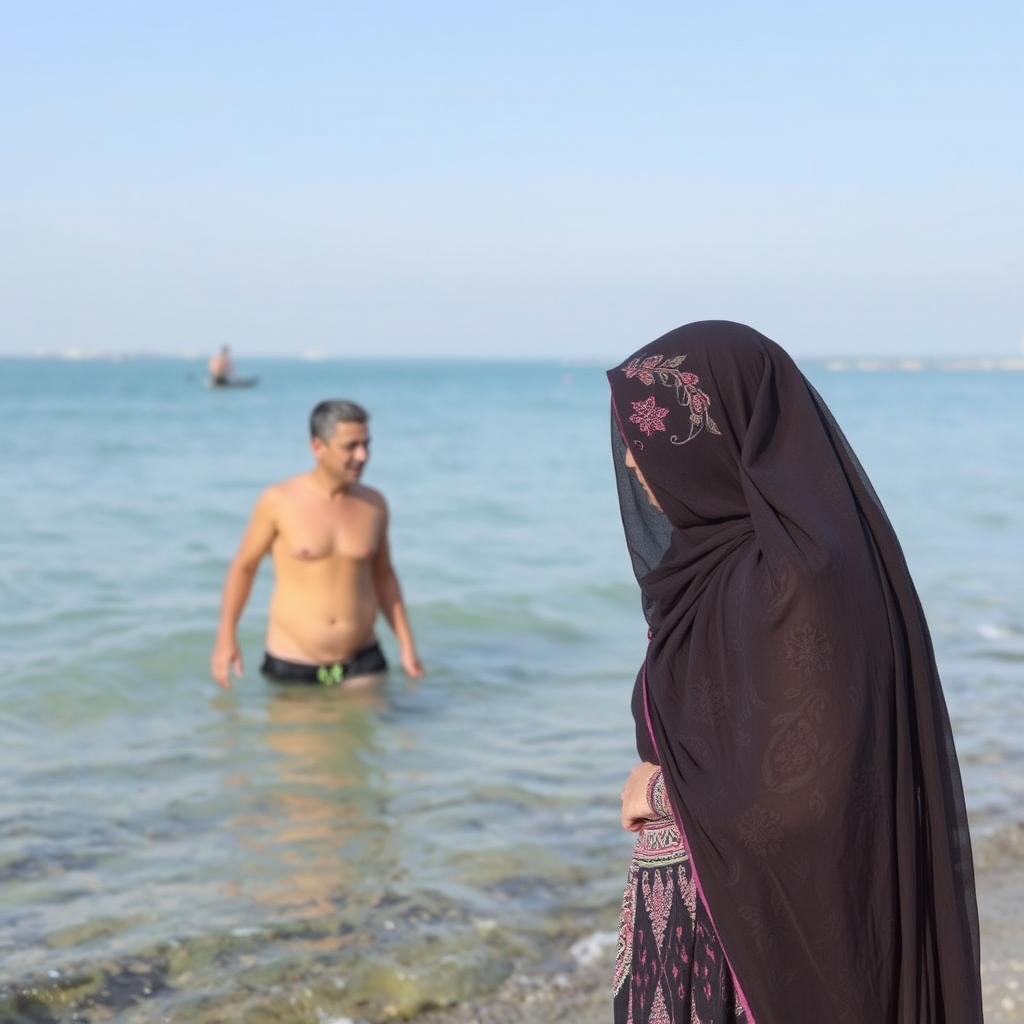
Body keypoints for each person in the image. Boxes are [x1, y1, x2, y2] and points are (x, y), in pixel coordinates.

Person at [607, 322, 982, 1024]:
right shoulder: (708, 572)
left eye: (648, 437)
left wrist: (660, 791)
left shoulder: (801, 579)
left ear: (714, 433)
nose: (631, 463)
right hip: (699, 926)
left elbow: (810, 796)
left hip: (761, 953)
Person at [210, 399, 425, 690]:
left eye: (366, 444)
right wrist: (226, 637)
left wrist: (407, 645)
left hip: (361, 661)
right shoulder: (279, 501)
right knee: (303, 735)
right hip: (295, 663)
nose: (362, 456)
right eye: (350, 446)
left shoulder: (373, 504)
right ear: (317, 447)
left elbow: (384, 575)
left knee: (370, 735)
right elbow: (244, 567)